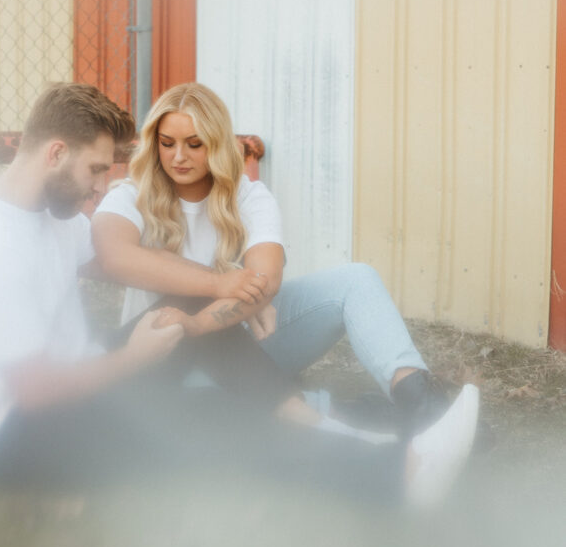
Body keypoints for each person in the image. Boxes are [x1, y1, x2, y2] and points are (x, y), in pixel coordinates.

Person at [0, 82, 478, 506]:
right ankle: (393, 470)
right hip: (12, 434)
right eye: (96, 170)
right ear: (54, 153)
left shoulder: (46, 219)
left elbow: (116, 259)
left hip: (81, 384)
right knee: (216, 430)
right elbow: (35, 391)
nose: (100, 186)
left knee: (184, 331)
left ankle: (367, 432)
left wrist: (240, 298)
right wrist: (135, 356)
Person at [92, 82, 468, 441]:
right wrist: (221, 288)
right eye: (167, 143)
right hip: (164, 354)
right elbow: (114, 257)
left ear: (218, 144)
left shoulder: (249, 197)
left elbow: (265, 280)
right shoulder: (130, 195)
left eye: (194, 144)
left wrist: (218, 310)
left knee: (357, 279)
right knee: (212, 390)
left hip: (238, 341)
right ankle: (337, 414)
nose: (178, 156)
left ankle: (423, 405)